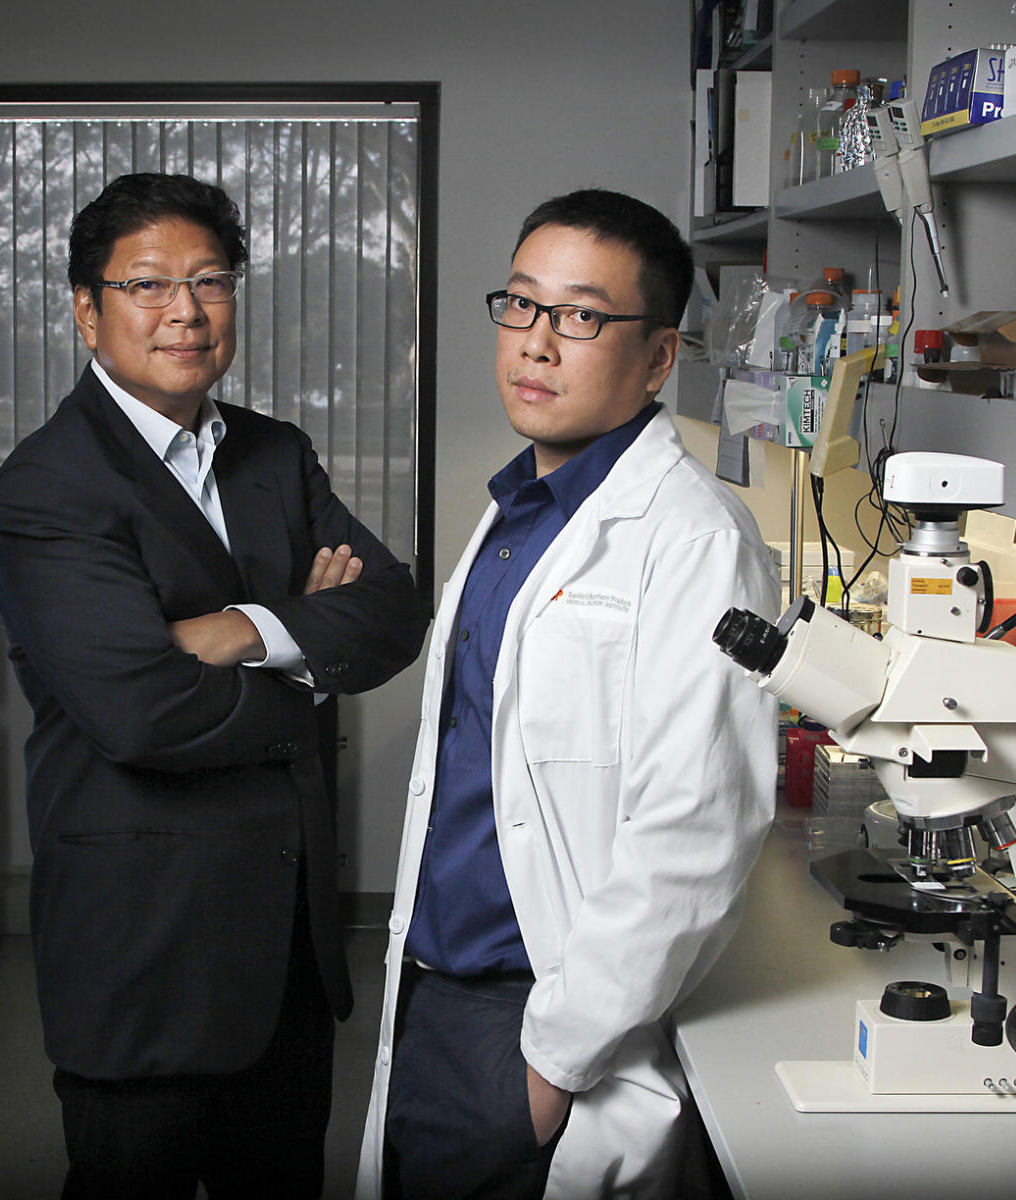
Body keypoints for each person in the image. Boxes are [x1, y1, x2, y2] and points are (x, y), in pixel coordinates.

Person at [0, 172, 429, 1199]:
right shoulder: (46, 486)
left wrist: (235, 629)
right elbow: (138, 710)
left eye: (211, 281)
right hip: (144, 946)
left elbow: (395, 612)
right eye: (147, 285)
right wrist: (310, 663)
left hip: (284, 948)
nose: (184, 312)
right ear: (85, 311)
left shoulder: (275, 455)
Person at [354, 189, 778, 1199]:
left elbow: (697, 826)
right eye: (521, 306)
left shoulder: (695, 540)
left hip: (533, 1019)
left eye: (581, 316)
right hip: (435, 988)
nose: (536, 344)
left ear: (658, 358)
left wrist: (545, 1069)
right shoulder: (516, 510)